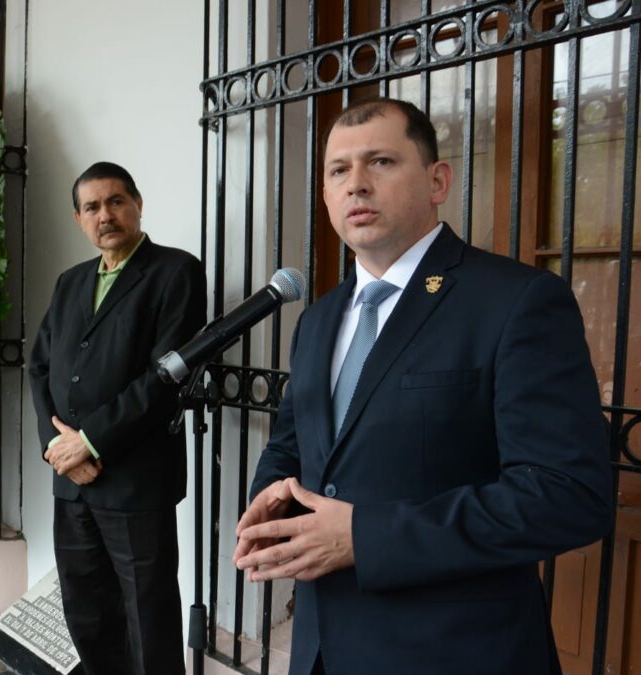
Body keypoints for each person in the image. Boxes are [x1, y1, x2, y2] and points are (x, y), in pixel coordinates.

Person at [232, 98, 613, 675]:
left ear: (438, 180)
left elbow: (567, 496)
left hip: (453, 650)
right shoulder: (318, 318)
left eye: (381, 162)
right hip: (321, 648)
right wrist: (272, 504)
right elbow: (295, 443)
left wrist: (366, 536)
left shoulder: (515, 302)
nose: (356, 184)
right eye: (338, 171)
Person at [30, 162, 207, 675]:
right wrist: (55, 446)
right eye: (92, 207)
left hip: (134, 483)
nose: (104, 215)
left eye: (115, 202)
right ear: (78, 218)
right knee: (86, 613)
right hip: (72, 483)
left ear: (137, 204)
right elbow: (39, 365)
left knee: (147, 621)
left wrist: (91, 442)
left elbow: (165, 375)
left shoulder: (176, 271)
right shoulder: (70, 282)